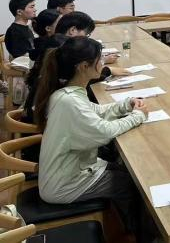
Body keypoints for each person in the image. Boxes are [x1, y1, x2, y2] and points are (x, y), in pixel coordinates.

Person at [34, 36, 149, 237]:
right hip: (63, 185)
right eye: (100, 59)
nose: (103, 63)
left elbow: (97, 111)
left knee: (125, 171)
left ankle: (130, 223)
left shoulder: (67, 93)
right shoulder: (69, 101)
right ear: (84, 66)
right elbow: (104, 132)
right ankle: (139, 234)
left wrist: (127, 104)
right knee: (130, 184)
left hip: (71, 170)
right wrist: (138, 116)